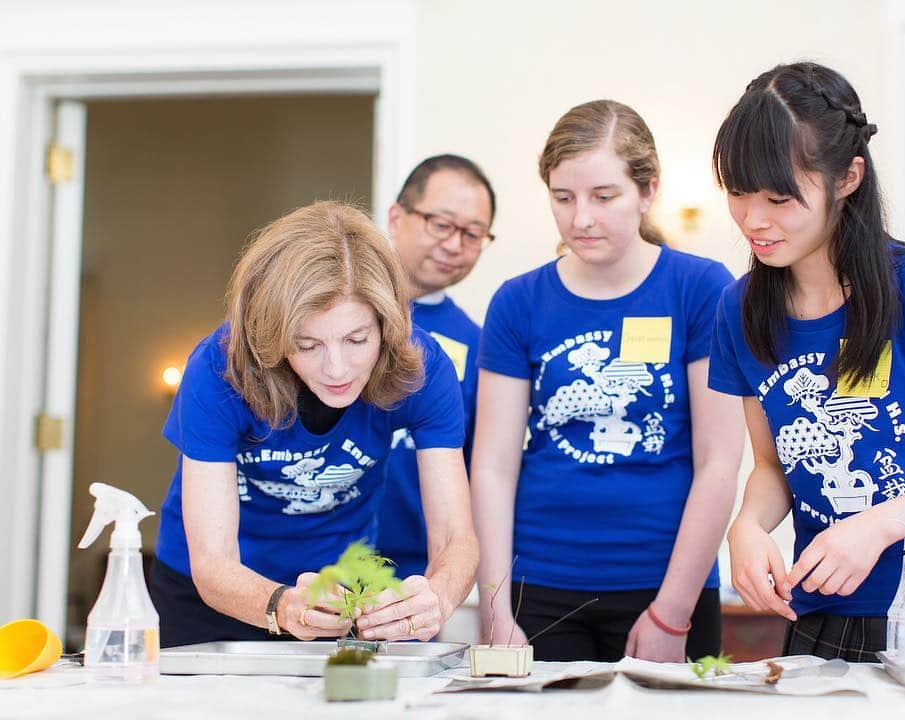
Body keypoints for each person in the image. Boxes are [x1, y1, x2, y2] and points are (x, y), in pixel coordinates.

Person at [708, 62, 905, 661]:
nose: (753, 219)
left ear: (847, 178)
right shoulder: (739, 309)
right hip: (818, 610)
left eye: (778, 197)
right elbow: (773, 464)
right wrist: (747, 527)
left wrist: (878, 526)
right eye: (737, 193)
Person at [471, 100, 744, 662]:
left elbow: (719, 461)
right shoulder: (518, 302)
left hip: (667, 584)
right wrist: (493, 608)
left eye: (604, 196)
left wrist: (673, 613)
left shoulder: (700, 289)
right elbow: (494, 466)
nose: (581, 219)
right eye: (563, 197)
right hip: (540, 585)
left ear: (648, 192)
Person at [149, 201, 479, 647]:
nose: (337, 368)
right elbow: (213, 564)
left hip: (339, 591)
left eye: (356, 339)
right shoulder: (219, 368)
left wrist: (437, 597)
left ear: (387, 326)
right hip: (206, 595)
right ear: (272, 336)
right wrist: (282, 605)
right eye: (307, 345)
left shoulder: (423, 366)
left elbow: (456, 537)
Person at [375, 155, 494, 580]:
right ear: (396, 217)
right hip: (307, 564)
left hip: (411, 576)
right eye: (441, 225)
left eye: (473, 233)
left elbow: (478, 471)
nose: (454, 244)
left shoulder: (477, 345)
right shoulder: (335, 314)